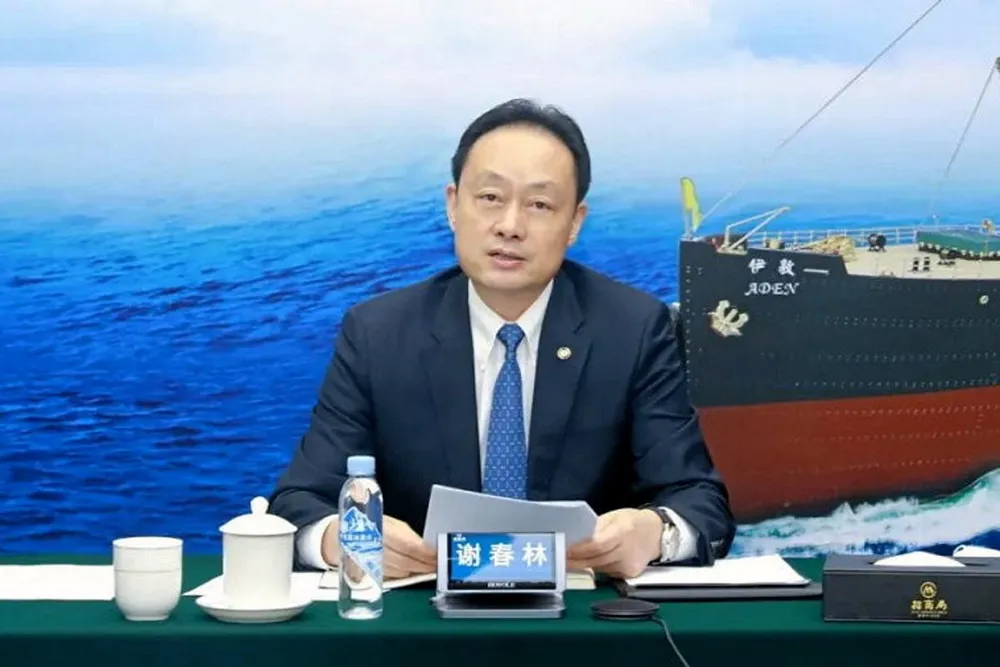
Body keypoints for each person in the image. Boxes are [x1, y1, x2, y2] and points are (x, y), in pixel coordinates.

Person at [268, 98, 735, 580]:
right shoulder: (378, 333)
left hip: (582, 611)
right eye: (490, 197)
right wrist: (341, 537)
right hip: (420, 608)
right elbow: (297, 503)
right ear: (453, 205)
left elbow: (700, 503)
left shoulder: (633, 328)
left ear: (574, 223)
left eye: (539, 205)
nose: (510, 226)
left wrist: (655, 533)